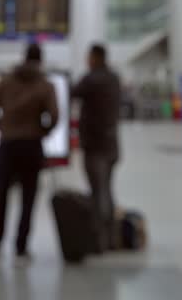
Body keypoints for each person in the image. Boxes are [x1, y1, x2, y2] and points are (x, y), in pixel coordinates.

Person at [0, 43, 58, 263]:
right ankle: (21, 247)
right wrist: (43, 130)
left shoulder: (5, 81)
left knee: (1, 195)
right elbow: (54, 115)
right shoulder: (45, 85)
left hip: (8, 145)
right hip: (32, 146)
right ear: (40, 60)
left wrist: (0, 126)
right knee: (28, 198)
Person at [71, 44, 122, 252]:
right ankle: (111, 236)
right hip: (112, 145)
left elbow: (72, 92)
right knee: (107, 189)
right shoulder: (113, 78)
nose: (86, 60)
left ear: (95, 57)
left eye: (88, 56)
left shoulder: (92, 79)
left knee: (98, 192)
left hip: (95, 146)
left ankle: (100, 237)